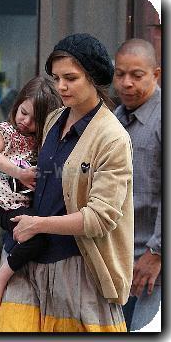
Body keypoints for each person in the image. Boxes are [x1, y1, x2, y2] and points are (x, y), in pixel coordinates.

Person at [0, 33, 134, 332]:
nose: (61, 87)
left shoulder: (112, 137)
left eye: (71, 78)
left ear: (93, 77)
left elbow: (99, 218)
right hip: (28, 258)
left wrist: (39, 224)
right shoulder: (55, 118)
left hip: (76, 266)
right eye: (56, 77)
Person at [0, 76, 62, 313]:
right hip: (4, 199)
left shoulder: (41, 142)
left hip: (25, 201)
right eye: (23, 112)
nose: (25, 121)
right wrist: (19, 172)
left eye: (35, 120)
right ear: (17, 104)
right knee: (36, 238)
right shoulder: (6, 132)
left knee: (38, 238)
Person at [113, 38, 161, 331]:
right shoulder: (115, 119)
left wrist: (157, 253)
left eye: (137, 75)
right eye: (120, 74)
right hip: (119, 262)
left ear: (156, 74)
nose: (126, 83)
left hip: (154, 262)